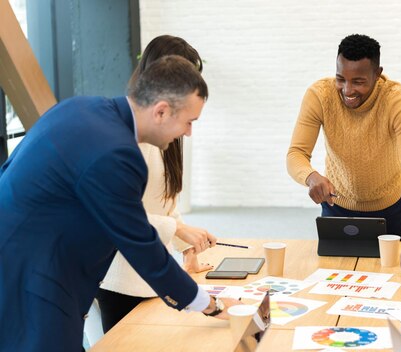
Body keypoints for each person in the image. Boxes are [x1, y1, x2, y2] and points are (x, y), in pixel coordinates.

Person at [0, 56, 238, 351]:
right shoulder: (118, 154)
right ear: (161, 111)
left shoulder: (81, 108)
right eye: (189, 122)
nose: (188, 133)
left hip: (23, 254)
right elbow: (142, 246)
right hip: (36, 274)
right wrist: (208, 304)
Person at [95, 35, 218, 334]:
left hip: (146, 272)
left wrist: (183, 242)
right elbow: (121, 216)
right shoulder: (127, 140)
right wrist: (176, 231)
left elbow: (164, 204)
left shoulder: (167, 133)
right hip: (119, 276)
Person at [286, 34, 401, 283]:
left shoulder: (397, 100)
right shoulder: (319, 95)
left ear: (378, 73)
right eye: (341, 79)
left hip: (391, 210)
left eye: (359, 81)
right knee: (334, 284)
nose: (348, 90)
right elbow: (296, 153)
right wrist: (310, 177)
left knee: (394, 285)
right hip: (337, 210)